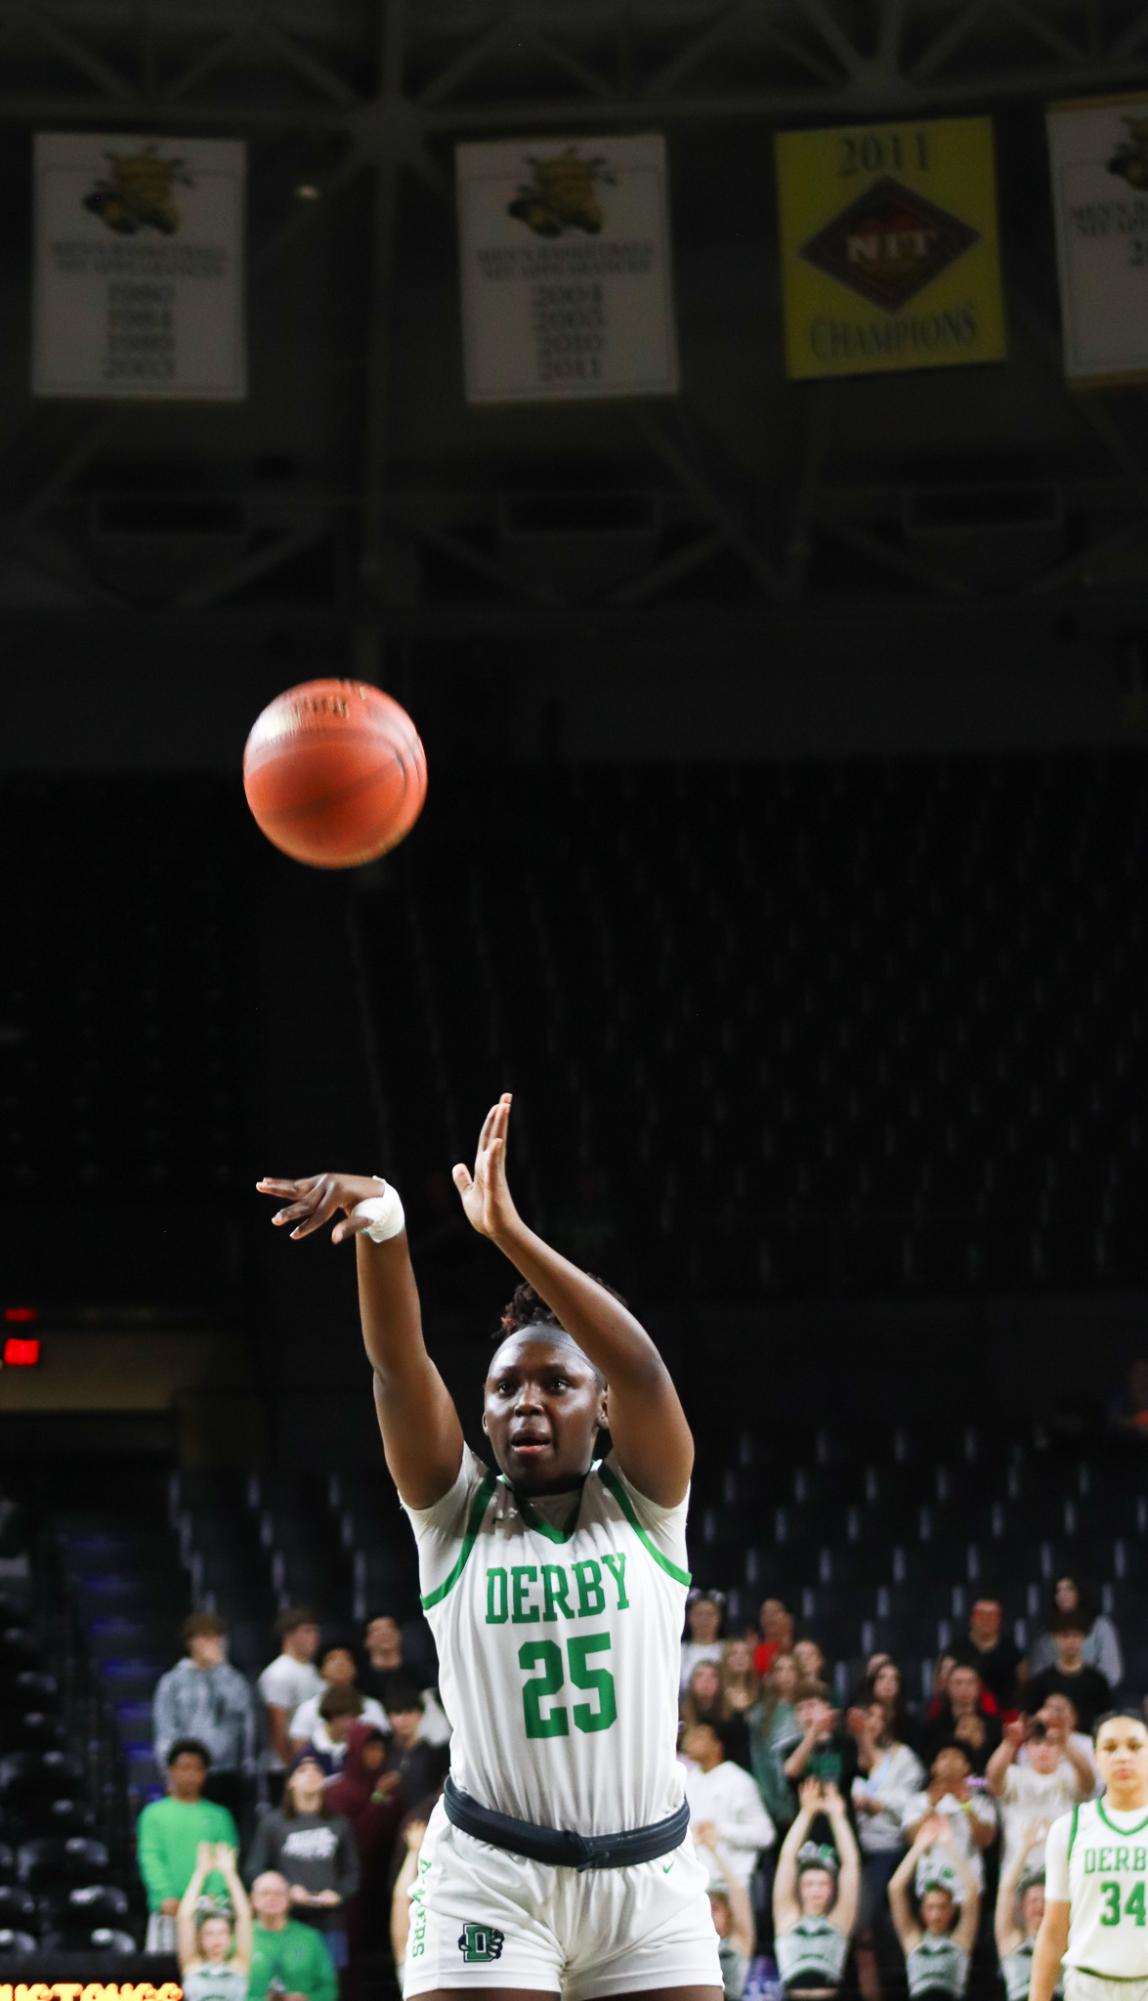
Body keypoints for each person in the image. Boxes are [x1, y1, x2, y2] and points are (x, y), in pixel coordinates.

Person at [258, 1092, 724, 2001]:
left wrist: (508, 1232)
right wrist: (385, 1224)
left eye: (557, 1382)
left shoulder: (648, 1502)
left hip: (649, 1879)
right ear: (481, 1413)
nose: (528, 1402)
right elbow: (400, 1366)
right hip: (492, 1878)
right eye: (507, 1387)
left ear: (603, 1409)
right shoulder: (454, 1513)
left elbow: (645, 1368)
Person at [1030, 1710, 1148, 2001]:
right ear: (1095, 1756)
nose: (1122, 1757)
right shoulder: (1068, 1829)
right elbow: (1054, 1928)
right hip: (1089, 1985)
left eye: (1134, 1747)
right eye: (1110, 1748)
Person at [244, 1754, 359, 1971]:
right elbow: (254, 1869)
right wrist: (285, 1891)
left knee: (327, 1980)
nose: (311, 1775)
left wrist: (338, 1894)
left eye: (317, 1771)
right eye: (303, 1771)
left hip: (330, 1920)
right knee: (288, 1978)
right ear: (290, 1781)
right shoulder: (273, 1823)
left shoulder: (339, 1823)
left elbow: (352, 1872)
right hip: (287, 1919)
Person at [153, 1613, 259, 1823]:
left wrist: (220, 1670)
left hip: (227, 1773)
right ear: (190, 1641)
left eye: (215, 1637)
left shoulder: (233, 1678)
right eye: (204, 1637)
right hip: (188, 1773)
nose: (210, 1644)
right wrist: (170, 1774)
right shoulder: (172, 1681)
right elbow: (165, 1729)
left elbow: (242, 1713)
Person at [138, 1739, 241, 1953]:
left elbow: (226, 1857)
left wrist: (213, 1894)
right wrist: (165, 1895)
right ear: (170, 1771)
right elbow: (150, 1857)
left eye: (197, 1769)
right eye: (184, 1768)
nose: (190, 1775)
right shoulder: (153, 1814)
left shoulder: (219, 1815)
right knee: (163, 1978)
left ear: (205, 1773)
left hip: (211, 1914)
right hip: (168, 1911)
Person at [772, 1779, 860, 1998]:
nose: (816, 1890)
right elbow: (787, 1859)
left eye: (823, 1884)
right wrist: (806, 1813)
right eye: (809, 1884)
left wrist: (837, 1816)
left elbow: (851, 1866)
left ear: (832, 1888)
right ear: (799, 1888)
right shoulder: (787, 1917)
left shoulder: (838, 1921)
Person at [851, 1700, 925, 1951]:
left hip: (892, 1850)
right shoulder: (851, 1757)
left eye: (877, 1717)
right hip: (856, 1851)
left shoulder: (903, 1758)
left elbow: (912, 1801)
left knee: (890, 1925)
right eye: (867, 1716)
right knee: (861, 1930)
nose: (871, 1723)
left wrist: (879, 1804)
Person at [986, 1711, 1094, 1872]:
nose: (1044, 1749)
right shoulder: (1014, 1774)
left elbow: (1088, 1782)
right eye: (1037, 1743)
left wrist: (1066, 1742)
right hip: (1020, 1868)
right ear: (1027, 1748)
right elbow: (993, 1779)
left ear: (1060, 1750)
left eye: (1051, 1744)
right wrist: (1009, 1743)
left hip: (1062, 1867)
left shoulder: (1068, 1774)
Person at [887, 1819, 980, 2000]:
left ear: (952, 1910)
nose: (936, 1913)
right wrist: (919, 1846)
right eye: (930, 1907)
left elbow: (971, 1891)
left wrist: (949, 1845)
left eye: (942, 1907)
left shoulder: (960, 1941)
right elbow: (895, 1888)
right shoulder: (913, 1941)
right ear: (922, 1911)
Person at [682, 1718, 776, 1887]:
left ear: (717, 1745)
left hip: (734, 1882)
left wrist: (720, 1830)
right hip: (695, 1882)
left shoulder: (739, 1781)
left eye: (700, 1736)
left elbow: (765, 1835)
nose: (690, 1741)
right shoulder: (687, 1780)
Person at [901, 1746, 996, 1893]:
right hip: (930, 1883)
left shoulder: (979, 1800)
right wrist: (931, 1807)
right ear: (933, 1767)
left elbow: (986, 1840)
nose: (950, 1761)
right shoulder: (917, 1800)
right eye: (944, 1757)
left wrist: (967, 1807)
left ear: (967, 1767)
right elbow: (912, 1839)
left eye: (957, 1757)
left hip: (969, 1884)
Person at [258, 1608, 322, 1803]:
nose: (314, 1637)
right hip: (284, 1767)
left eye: (315, 1631)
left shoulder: (312, 1670)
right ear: (289, 1635)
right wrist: (291, 1768)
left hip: (311, 1764)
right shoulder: (279, 1673)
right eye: (307, 1631)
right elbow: (277, 1726)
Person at [176, 1841, 253, 2001]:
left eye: (222, 1933)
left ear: (230, 1936)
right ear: (200, 1938)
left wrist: (230, 1873)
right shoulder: (192, 1965)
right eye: (209, 1934)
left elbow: (244, 1915)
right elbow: (184, 1917)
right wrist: (200, 1873)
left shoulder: (239, 1965)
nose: (216, 1939)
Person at [247, 1871, 337, 2001]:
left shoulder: (310, 1938)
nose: (272, 1898)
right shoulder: (240, 1937)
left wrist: (307, 1999)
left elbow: (329, 1990)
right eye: (265, 1893)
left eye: (278, 1893)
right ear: (253, 1899)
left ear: (289, 1900)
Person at [692, 1822, 756, 2001]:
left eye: (716, 1909)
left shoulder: (739, 1942)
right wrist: (692, 1849)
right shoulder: (692, 1943)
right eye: (706, 1909)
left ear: (729, 1914)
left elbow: (737, 1891)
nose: (710, 1915)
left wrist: (713, 1850)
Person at [288, 1642, 388, 1755]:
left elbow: (383, 1747)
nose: (340, 1663)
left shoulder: (372, 1707)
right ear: (321, 1671)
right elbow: (300, 1753)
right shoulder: (307, 1709)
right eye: (332, 1659)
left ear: (355, 1669)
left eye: (347, 1659)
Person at [1028, 1579, 1124, 1695]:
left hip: (1093, 1698)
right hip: (1055, 1702)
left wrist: (1085, 1691)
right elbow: (1037, 1676)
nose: (1062, 1595)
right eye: (1058, 1591)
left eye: (1069, 1589)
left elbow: (1112, 1673)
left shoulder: (1101, 1627)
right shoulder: (1045, 1634)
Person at [995, 1833, 1059, 2001]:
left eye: (1044, 1900)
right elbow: (1006, 1891)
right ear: (1022, 1906)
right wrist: (1024, 1848)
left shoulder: (1063, 1939)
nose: (1039, 1906)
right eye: (1033, 1901)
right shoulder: (1012, 1940)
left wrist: (1058, 1848)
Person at [1024, 1615, 1113, 1735]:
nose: (1070, 1641)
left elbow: (1107, 1720)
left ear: (1083, 1638)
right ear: (1054, 1639)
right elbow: (1031, 1720)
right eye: (1065, 1636)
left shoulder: (1098, 1681)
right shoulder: (1042, 1681)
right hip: (1051, 1746)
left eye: (1075, 1635)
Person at [781, 1685, 859, 1817]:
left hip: (841, 1820)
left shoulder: (846, 1743)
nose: (806, 1712)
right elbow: (791, 1771)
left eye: (811, 1705)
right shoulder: (791, 1748)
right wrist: (813, 1732)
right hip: (808, 1825)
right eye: (800, 1708)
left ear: (827, 1708)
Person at [750, 1652, 800, 1832]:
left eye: (791, 1669)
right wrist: (776, 1806)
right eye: (780, 1669)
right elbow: (760, 1762)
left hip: (804, 1794)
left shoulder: (808, 1708)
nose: (786, 1675)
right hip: (773, 1798)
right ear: (771, 1676)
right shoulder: (760, 1715)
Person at [922, 1662, 1001, 1775]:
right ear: (948, 1687)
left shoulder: (993, 1725)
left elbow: (996, 1768)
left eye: (970, 1683)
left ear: (978, 1687)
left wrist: (980, 1747)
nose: (964, 1688)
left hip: (983, 1783)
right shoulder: (933, 1727)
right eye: (958, 1683)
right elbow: (929, 1766)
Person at [682, 1660, 750, 1774]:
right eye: (700, 1676)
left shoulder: (733, 1720)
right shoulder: (680, 1717)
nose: (706, 1681)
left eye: (713, 1676)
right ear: (691, 1683)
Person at [963, 1598, 1024, 1710]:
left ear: (999, 1619)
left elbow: (1024, 1684)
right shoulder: (958, 1648)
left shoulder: (1010, 1649)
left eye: (992, 1615)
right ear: (972, 1618)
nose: (986, 1620)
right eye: (981, 1615)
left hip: (1004, 1713)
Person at [682, 1591, 726, 1696]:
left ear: (719, 1618)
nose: (704, 1619)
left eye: (710, 1614)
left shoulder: (727, 1649)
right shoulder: (679, 1651)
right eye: (698, 1614)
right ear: (689, 1618)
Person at [754, 1599, 796, 1680]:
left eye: (775, 1611)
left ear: (788, 1618)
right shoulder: (754, 1651)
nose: (769, 1616)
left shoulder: (801, 1649)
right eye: (764, 1613)